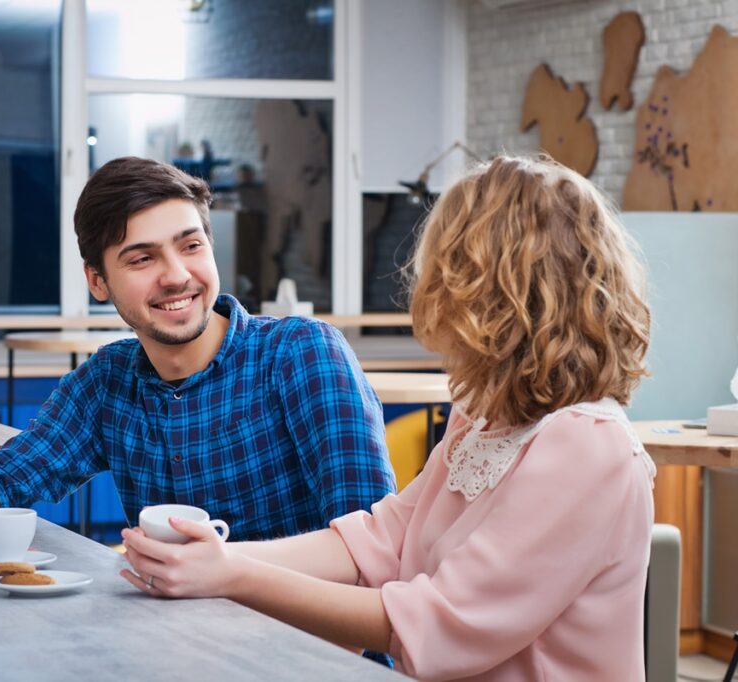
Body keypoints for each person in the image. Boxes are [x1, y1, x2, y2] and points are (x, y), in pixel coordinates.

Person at [120, 155, 656, 681]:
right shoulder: (485, 413)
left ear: (501, 292)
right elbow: (384, 536)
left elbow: (442, 624)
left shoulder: (589, 445)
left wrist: (233, 575)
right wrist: (219, 559)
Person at [0, 156, 396, 575]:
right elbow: (14, 470)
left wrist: (223, 570)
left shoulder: (301, 354)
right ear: (97, 281)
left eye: (191, 246)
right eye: (142, 259)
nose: (178, 276)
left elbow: (372, 546)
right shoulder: (107, 382)